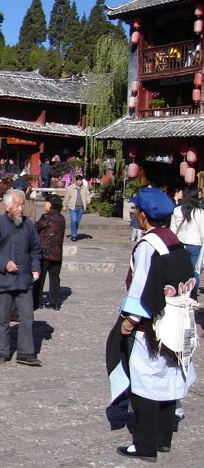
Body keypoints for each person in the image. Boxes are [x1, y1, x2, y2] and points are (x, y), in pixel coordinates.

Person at [107, 187, 197, 462]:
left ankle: (145, 445)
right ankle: (163, 437)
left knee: (145, 382)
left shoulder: (149, 246)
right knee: (169, 377)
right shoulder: (174, 241)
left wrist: (129, 321)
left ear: (143, 215)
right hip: (177, 320)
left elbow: (142, 286)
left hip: (152, 324)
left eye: (136, 211)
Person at [0, 189, 42, 366]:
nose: (20, 208)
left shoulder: (28, 225)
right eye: (17, 204)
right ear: (7, 206)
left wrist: (36, 267)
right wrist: (3, 263)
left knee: (27, 317)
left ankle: (26, 352)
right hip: (4, 279)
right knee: (3, 318)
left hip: (24, 280)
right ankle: (3, 351)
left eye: (22, 204)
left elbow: (36, 249)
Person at [170, 185, 204, 297]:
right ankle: (192, 296)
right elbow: (203, 233)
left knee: (179, 270)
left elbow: (172, 231)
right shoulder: (200, 213)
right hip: (195, 245)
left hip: (180, 245)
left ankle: (179, 294)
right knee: (194, 272)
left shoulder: (177, 211)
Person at [33, 194, 66, 310]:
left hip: (45, 252)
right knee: (55, 278)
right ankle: (55, 302)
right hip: (57, 252)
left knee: (40, 278)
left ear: (51, 204)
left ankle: (37, 301)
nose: (45, 204)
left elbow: (36, 227)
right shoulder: (61, 218)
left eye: (46, 202)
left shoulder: (47, 217)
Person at [63, 174, 91, 242]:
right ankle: (74, 235)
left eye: (81, 181)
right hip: (73, 207)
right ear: (75, 180)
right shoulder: (70, 188)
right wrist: (64, 205)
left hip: (81, 207)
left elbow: (88, 194)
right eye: (78, 180)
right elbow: (66, 197)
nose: (80, 182)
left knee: (77, 222)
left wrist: (88, 201)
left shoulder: (84, 187)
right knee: (74, 220)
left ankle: (74, 233)